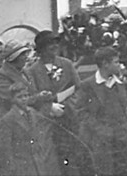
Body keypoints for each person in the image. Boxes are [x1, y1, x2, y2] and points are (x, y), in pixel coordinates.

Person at [26, 30, 84, 176]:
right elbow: (30, 98)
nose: (54, 46)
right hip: (47, 124)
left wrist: (67, 107)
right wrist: (49, 108)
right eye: (49, 44)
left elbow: (79, 89)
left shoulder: (67, 64)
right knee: (51, 161)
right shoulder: (31, 71)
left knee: (73, 158)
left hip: (70, 120)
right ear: (40, 48)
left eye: (56, 43)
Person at [75, 46, 127, 176]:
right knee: (105, 171)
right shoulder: (88, 85)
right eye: (116, 62)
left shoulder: (119, 83)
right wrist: (100, 130)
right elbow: (81, 112)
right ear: (105, 64)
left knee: (125, 168)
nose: (120, 65)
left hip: (121, 139)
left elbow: (125, 108)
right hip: (100, 142)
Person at [0, 82, 61, 176]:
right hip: (21, 165)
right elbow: (6, 148)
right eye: (20, 97)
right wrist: (12, 168)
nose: (24, 99)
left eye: (26, 96)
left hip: (38, 162)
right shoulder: (8, 119)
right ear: (13, 99)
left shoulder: (32, 113)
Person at [0, 40, 54, 136]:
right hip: (9, 121)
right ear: (13, 58)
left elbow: (31, 92)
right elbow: (11, 99)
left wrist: (42, 95)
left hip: (25, 120)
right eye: (22, 54)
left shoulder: (25, 72)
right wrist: (39, 97)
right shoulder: (1, 75)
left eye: (26, 53)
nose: (26, 57)